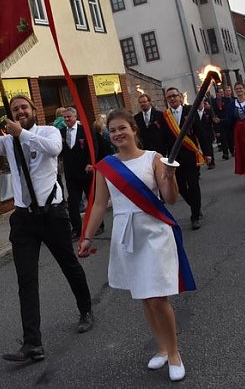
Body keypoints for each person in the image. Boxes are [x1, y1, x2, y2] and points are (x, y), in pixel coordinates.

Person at [0, 94, 93, 362]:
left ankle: (86, 308)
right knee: (26, 280)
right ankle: (32, 343)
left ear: (34, 110)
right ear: (11, 114)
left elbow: (54, 149)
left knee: (68, 265)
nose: (20, 112)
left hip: (53, 214)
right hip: (24, 219)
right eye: (15, 109)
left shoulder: (48, 131)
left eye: (24, 108)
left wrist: (22, 135)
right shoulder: (7, 141)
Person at [77, 109, 194, 382]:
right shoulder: (106, 166)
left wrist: (169, 176)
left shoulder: (154, 158)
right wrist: (86, 237)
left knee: (157, 296)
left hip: (154, 231)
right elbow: (98, 205)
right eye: (113, 130)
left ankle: (175, 353)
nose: (117, 134)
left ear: (133, 130)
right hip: (127, 234)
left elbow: (171, 199)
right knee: (144, 295)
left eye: (122, 128)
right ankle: (162, 348)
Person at [154, 87, 208, 230]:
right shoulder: (164, 116)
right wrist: (161, 159)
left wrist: (207, 152)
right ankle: (195, 205)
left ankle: (195, 216)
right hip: (174, 159)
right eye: (169, 97)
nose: (172, 99)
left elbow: (200, 132)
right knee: (181, 188)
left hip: (191, 156)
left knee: (194, 185)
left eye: (174, 96)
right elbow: (162, 139)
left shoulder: (190, 110)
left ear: (179, 97)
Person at [59, 107, 104, 238]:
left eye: (69, 117)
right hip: (71, 174)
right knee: (73, 203)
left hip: (86, 172)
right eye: (65, 117)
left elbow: (93, 147)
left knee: (93, 199)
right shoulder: (61, 132)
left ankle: (99, 225)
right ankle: (77, 229)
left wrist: (91, 162)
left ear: (75, 117)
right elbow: (59, 151)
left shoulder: (85, 130)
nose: (66, 119)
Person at [196, 100, 216, 169]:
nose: (199, 105)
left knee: (209, 147)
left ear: (203, 104)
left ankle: (211, 162)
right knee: (203, 147)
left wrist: (216, 131)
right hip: (201, 134)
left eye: (200, 103)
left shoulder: (208, 111)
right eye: (198, 104)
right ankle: (207, 160)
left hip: (208, 132)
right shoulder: (195, 113)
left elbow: (213, 121)